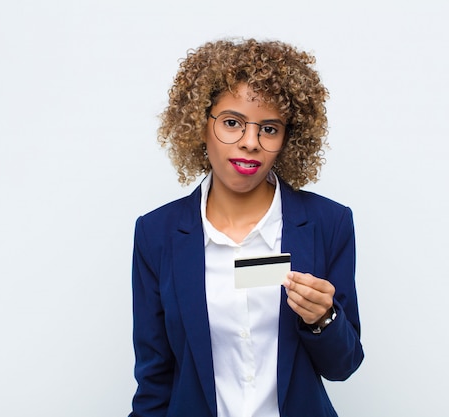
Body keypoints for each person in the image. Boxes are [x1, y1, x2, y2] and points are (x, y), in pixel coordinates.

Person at [129, 38, 364, 417]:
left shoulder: (328, 223)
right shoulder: (157, 234)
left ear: (288, 138)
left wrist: (324, 319)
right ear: (199, 124)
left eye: (269, 128)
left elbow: (344, 365)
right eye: (232, 122)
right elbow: (156, 377)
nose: (250, 143)